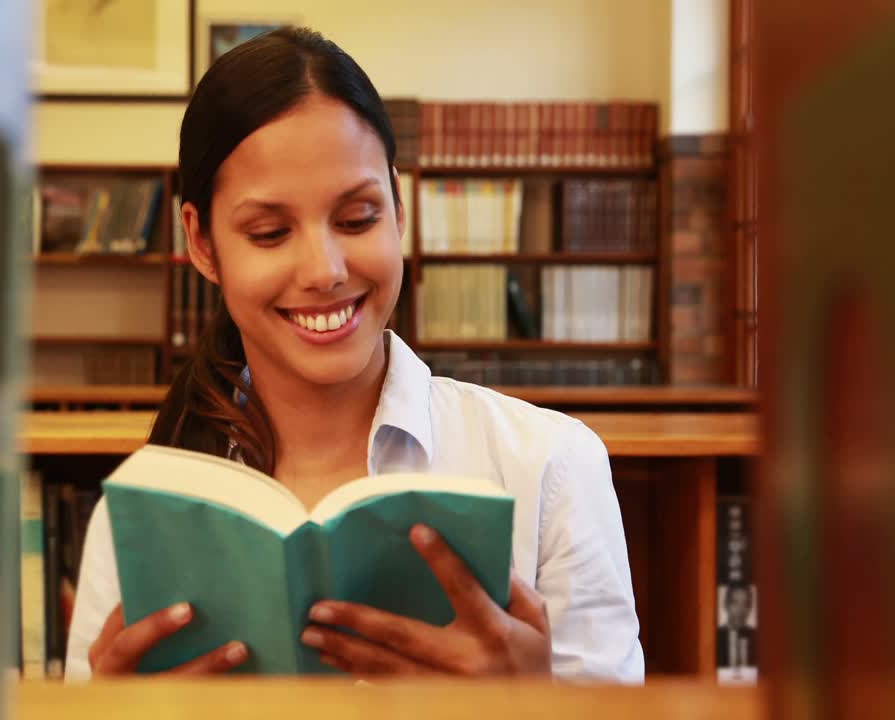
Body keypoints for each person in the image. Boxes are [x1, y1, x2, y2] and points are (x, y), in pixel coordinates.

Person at [64, 27, 643, 682]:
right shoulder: (142, 513)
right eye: (269, 232)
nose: (325, 269)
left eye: (358, 218)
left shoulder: (550, 467)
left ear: (399, 206)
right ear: (201, 243)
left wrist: (529, 703)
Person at [716, 584, 757, 671]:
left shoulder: (756, 637)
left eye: (745, 603)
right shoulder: (716, 636)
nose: (741, 610)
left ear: (749, 607)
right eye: (735, 603)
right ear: (726, 605)